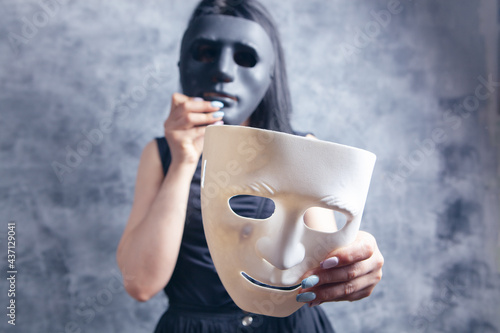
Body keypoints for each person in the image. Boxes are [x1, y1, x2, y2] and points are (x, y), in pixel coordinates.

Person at [116, 0, 384, 332]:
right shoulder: (160, 155)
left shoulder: (304, 150)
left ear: (270, 73)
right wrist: (183, 160)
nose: (224, 71)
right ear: (181, 62)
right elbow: (140, 283)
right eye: (205, 53)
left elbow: (325, 260)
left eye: (245, 57)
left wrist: (357, 264)